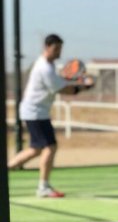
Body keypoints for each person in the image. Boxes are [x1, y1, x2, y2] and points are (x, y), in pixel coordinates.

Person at [8, 34, 93, 198]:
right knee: (50, 147)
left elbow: (62, 83)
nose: (58, 52)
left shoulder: (49, 65)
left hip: (35, 111)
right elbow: (64, 89)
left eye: (60, 48)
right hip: (35, 112)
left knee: (35, 149)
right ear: (47, 47)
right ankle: (43, 187)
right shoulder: (44, 68)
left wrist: (78, 84)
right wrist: (85, 86)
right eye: (56, 49)